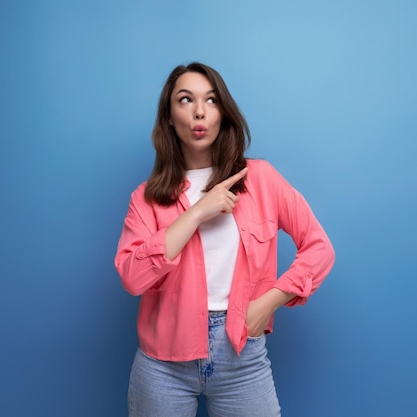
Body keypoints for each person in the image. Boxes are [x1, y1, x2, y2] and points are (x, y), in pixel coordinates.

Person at [115, 62, 335, 417]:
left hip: (242, 355)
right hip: (162, 365)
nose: (199, 111)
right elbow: (132, 276)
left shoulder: (261, 179)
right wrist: (198, 211)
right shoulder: (146, 198)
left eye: (211, 100)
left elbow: (319, 249)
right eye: (185, 100)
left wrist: (269, 303)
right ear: (170, 117)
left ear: (223, 112)